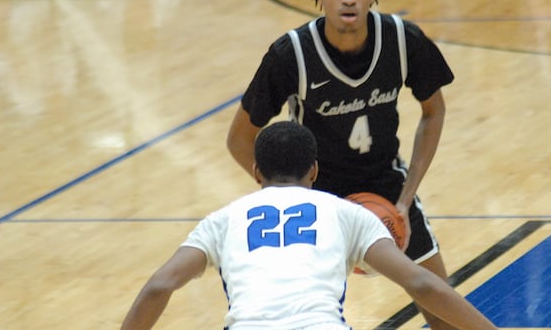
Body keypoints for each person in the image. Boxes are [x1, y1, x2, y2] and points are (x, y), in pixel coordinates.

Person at [227, 0, 457, 328]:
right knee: (296, 315)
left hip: (386, 185)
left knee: (442, 305)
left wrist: (406, 196)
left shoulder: (403, 40)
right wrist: (289, 194)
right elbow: (239, 140)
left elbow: (434, 111)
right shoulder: (291, 54)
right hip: (316, 195)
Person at [121, 121, 497, 330]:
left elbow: (159, 287)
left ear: (256, 173)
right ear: (315, 171)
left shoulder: (221, 221)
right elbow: (419, 282)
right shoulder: (346, 213)